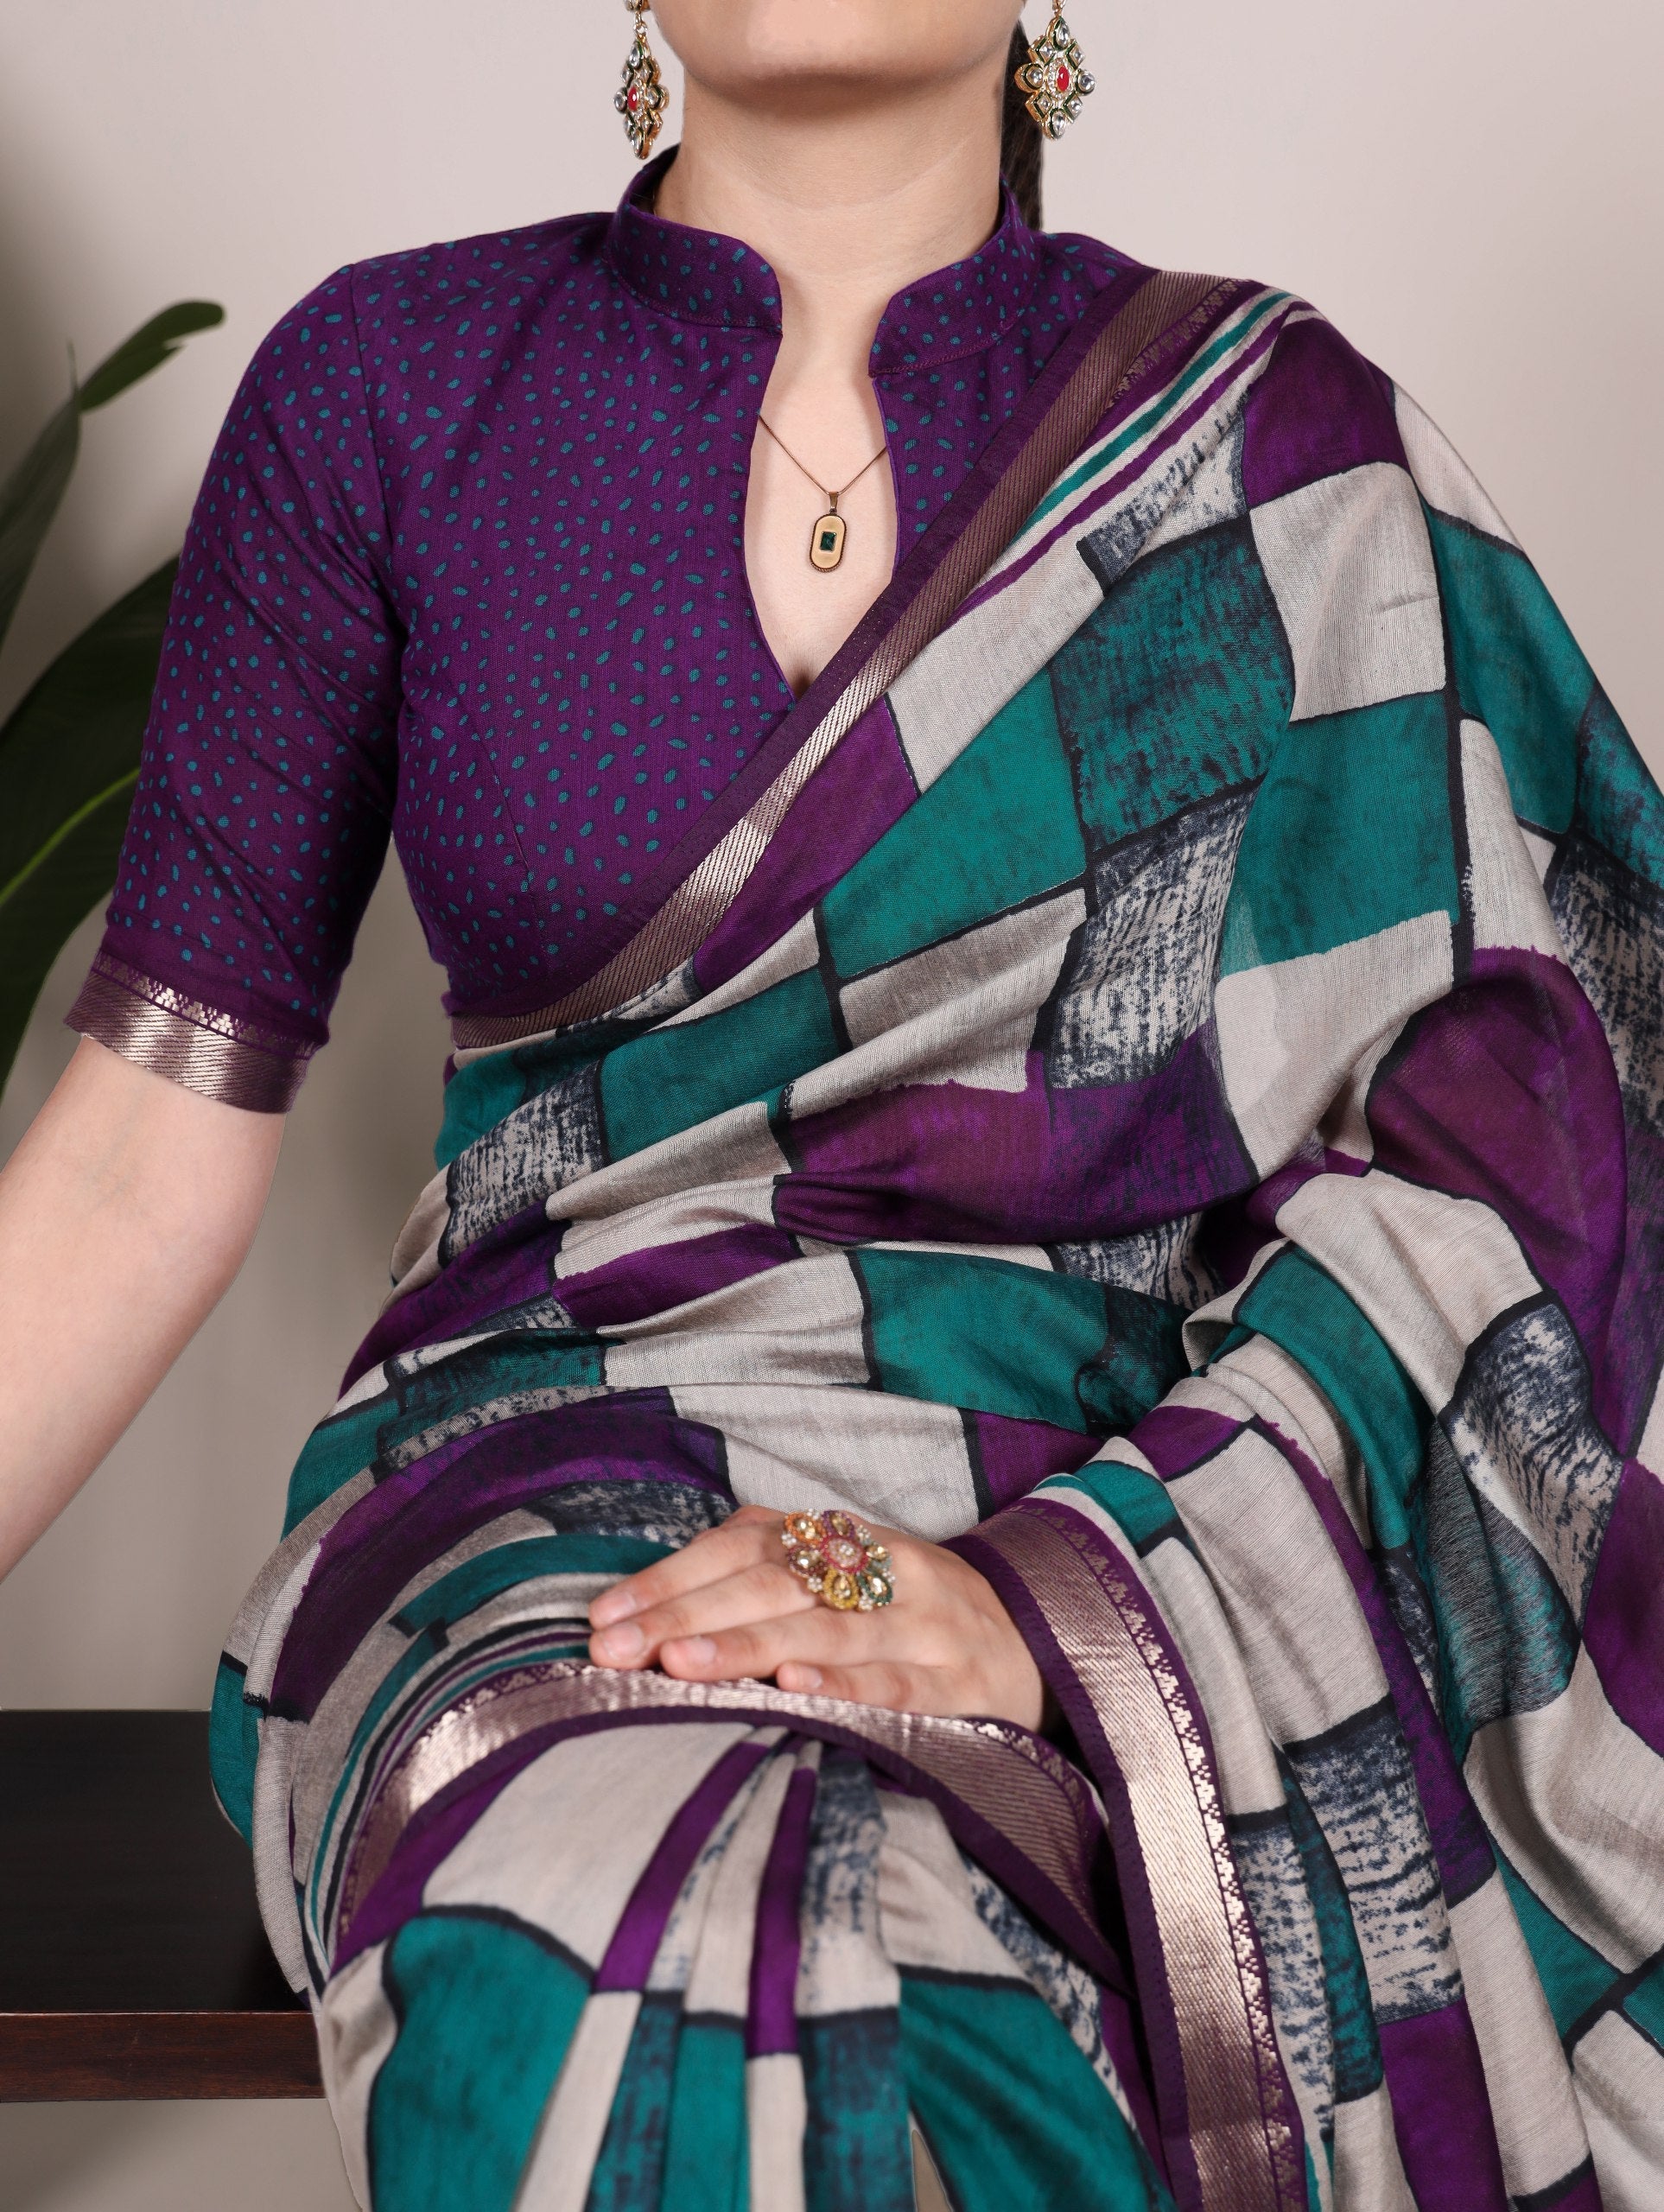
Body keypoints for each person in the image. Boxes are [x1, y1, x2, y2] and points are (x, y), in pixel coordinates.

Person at [2, 2, 1660, 2205]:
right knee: (637, 1951)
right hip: (542, 1509)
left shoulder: (1283, 453)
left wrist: (1058, 1598)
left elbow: (1565, 1085)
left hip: (1099, 1529)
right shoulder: (392, 389)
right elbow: (136, 1165)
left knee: (990, 1992)